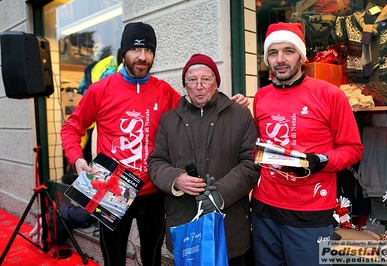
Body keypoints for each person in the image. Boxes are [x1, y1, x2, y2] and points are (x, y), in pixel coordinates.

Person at [60, 22, 249, 266]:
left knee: (152, 258)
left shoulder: (164, 92)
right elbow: (71, 128)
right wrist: (77, 159)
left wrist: (228, 106)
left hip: (153, 192)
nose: (142, 57)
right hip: (111, 190)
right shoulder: (100, 90)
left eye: (148, 51)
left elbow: (196, 109)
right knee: (113, 258)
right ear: (124, 52)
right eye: (136, 50)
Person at [251, 22, 364, 266]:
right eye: (273, 52)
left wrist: (320, 161)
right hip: (264, 208)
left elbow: (353, 149)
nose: (280, 59)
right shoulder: (261, 96)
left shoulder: (330, 94)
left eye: (288, 51)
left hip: (310, 211)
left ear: (301, 55)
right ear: (266, 59)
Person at [148, 53, 260, 266]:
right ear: (185, 85)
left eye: (206, 79)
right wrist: (176, 179)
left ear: (216, 83)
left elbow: (251, 163)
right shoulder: (169, 120)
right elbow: (156, 162)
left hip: (230, 224)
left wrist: (219, 194)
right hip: (185, 223)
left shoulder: (240, 115)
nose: (199, 86)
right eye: (192, 80)